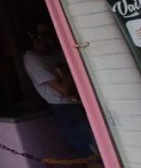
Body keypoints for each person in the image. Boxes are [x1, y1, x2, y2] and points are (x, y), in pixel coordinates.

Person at [23, 22, 97, 160]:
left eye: (48, 34)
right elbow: (64, 90)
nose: (47, 39)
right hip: (64, 107)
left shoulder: (57, 54)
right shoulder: (32, 58)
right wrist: (69, 69)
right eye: (41, 35)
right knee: (90, 152)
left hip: (82, 101)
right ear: (31, 36)